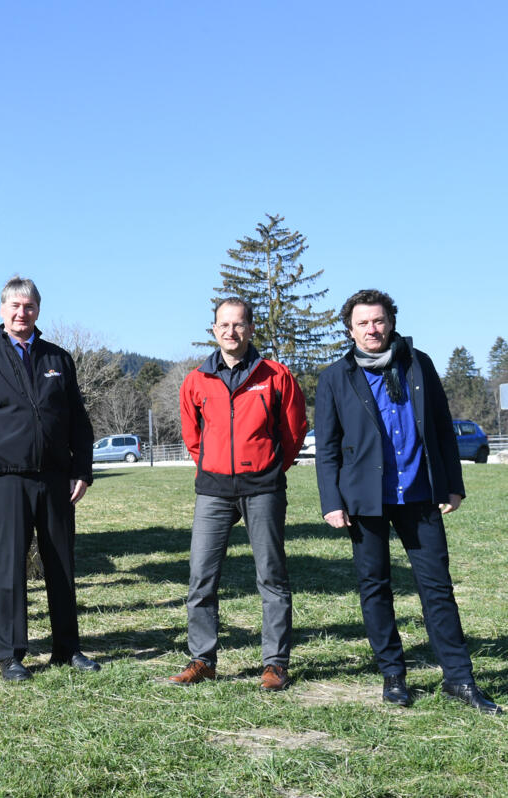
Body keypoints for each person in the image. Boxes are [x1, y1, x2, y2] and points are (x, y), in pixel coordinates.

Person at [315, 289, 501, 714]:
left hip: (420, 495)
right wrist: (332, 501)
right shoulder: (335, 377)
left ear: (391, 322)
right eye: (362, 323)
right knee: (375, 588)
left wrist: (452, 485)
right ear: (350, 329)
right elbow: (326, 447)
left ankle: (459, 678)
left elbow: (440, 426)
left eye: (378, 321)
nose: (371, 329)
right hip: (365, 502)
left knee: (437, 589)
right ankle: (393, 675)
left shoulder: (419, 364)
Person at [0, 276, 100, 681]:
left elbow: (79, 422)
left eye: (28, 306)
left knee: (61, 564)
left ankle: (67, 649)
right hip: (6, 479)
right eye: (14, 306)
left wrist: (81, 469)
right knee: (10, 565)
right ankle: (11, 656)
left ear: (38, 310)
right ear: (1, 311)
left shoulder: (57, 359)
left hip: (55, 479)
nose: (21, 313)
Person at [169, 298, 307, 690]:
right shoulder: (196, 380)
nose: (231, 332)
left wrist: (269, 467)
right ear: (213, 330)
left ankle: (275, 663)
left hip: (263, 486)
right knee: (201, 577)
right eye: (223, 325)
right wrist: (212, 465)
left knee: (272, 576)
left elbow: (293, 432)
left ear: (250, 329)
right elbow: (192, 437)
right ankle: (202, 659)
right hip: (212, 489)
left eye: (239, 324)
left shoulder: (276, 375)